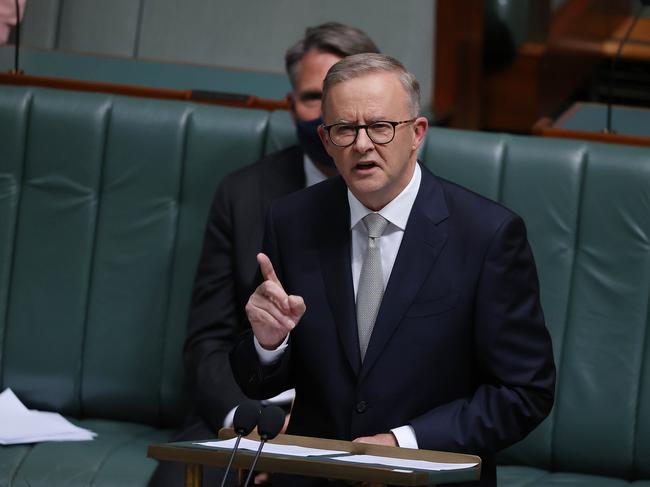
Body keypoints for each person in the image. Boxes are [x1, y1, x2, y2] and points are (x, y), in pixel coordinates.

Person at [231, 53, 556, 487]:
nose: (362, 144)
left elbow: (524, 392)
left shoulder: (487, 236)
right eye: (345, 129)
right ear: (326, 141)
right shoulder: (292, 222)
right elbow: (257, 378)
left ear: (416, 133)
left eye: (381, 127)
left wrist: (405, 442)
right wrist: (269, 344)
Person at [148, 23, 379, 487]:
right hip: (248, 412)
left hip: (358, 428)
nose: (331, 115)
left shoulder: (408, 200)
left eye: (345, 98)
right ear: (291, 104)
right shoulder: (243, 195)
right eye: (316, 97)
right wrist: (245, 419)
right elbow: (207, 341)